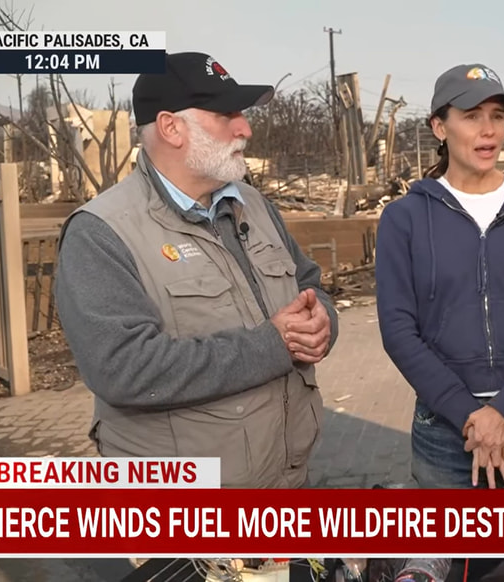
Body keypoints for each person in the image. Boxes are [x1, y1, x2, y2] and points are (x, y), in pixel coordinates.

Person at [53, 51, 338, 489]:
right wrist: (273, 345)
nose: (245, 127)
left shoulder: (253, 203)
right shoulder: (101, 232)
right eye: (227, 114)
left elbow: (308, 284)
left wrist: (323, 319)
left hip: (287, 479)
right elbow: (123, 368)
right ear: (171, 127)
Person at [375, 63, 504, 492]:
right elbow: (398, 329)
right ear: (439, 126)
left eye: (498, 116)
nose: (488, 130)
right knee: (447, 558)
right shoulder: (404, 218)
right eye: (472, 116)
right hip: (444, 427)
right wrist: (467, 414)